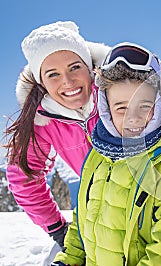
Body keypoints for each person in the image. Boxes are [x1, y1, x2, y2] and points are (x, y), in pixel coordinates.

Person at [53, 42, 161, 265]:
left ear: (159, 106)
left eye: (143, 106)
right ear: (106, 110)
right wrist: (67, 259)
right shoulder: (97, 155)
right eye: (121, 107)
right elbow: (81, 220)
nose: (132, 117)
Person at [4, 21, 109, 248]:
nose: (68, 82)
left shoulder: (117, 95)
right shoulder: (43, 119)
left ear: (89, 66)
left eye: (74, 67)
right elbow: (23, 176)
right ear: (41, 82)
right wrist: (57, 228)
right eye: (53, 74)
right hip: (102, 220)